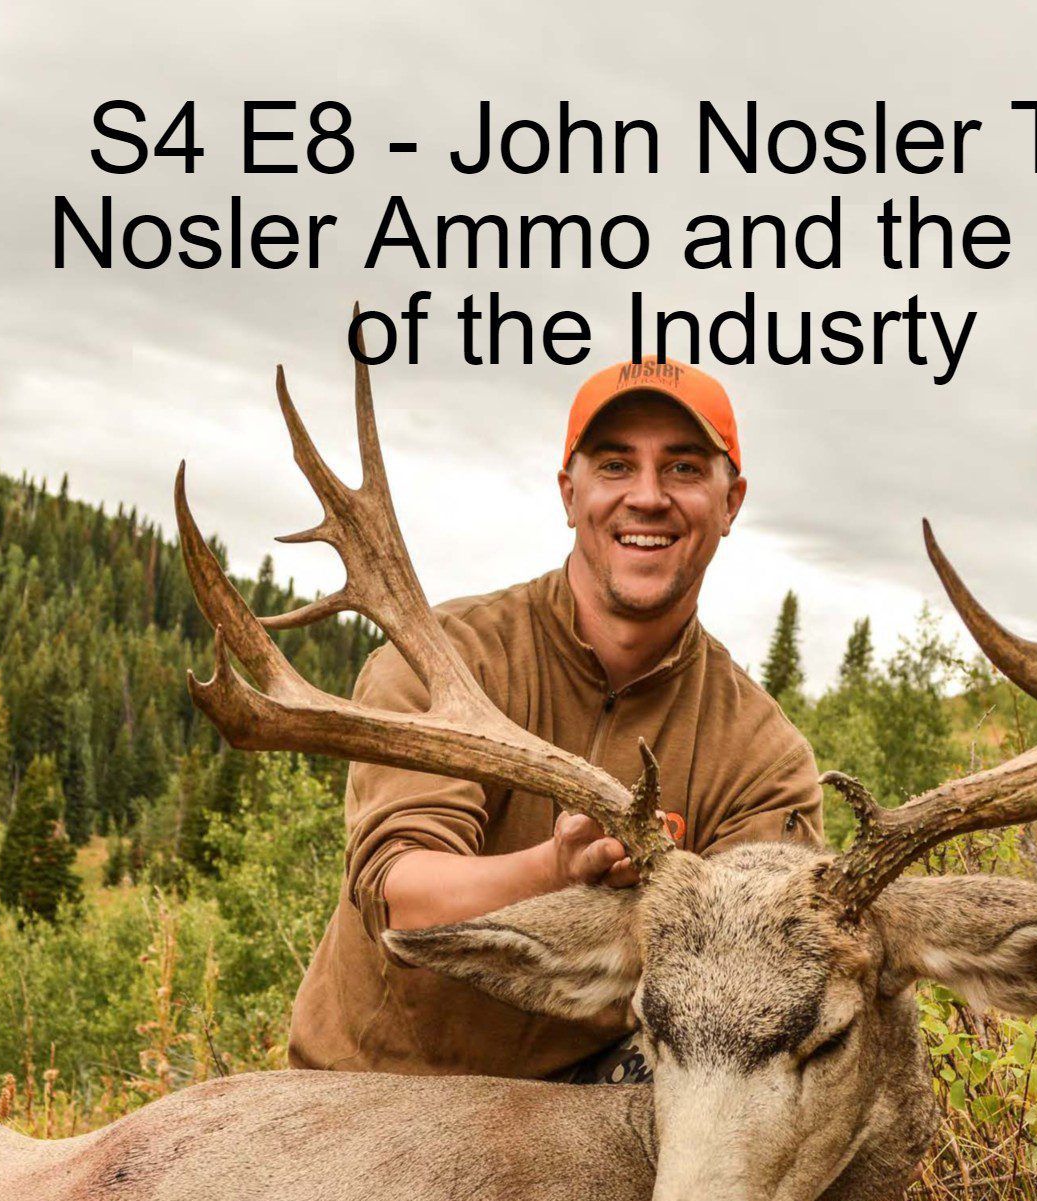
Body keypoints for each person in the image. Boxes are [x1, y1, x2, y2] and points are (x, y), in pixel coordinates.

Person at [288, 356, 824, 1080]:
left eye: (685, 469)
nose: (647, 497)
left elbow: (757, 973)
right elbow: (403, 899)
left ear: (731, 502)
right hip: (369, 1091)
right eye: (614, 466)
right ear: (570, 495)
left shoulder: (759, 754)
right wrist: (557, 868)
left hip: (579, 1120)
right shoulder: (448, 662)